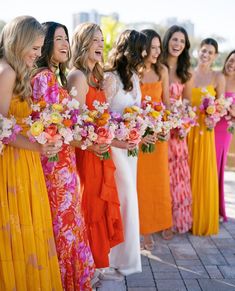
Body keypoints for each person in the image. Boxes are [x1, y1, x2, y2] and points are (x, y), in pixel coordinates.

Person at [0, 16, 62, 290]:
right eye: (34, 48)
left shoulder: (15, 70)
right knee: (18, 230)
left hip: (26, 161)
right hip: (13, 164)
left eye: (40, 49)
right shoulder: (7, 72)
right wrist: (37, 146)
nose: (38, 55)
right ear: (20, 41)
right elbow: (1, 127)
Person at [31, 21, 95, 290]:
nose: (65, 44)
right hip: (52, 161)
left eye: (66, 39)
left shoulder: (53, 77)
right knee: (62, 222)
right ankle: (62, 281)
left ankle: (68, 279)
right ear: (45, 43)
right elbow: (40, 121)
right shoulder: (43, 77)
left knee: (67, 219)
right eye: (58, 39)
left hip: (63, 159)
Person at [67, 22, 124, 272]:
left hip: (101, 150)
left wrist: (119, 137)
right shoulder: (77, 76)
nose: (100, 44)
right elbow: (75, 124)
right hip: (85, 152)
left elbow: (104, 118)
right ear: (82, 43)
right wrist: (93, 143)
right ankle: (86, 267)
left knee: (99, 206)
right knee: (88, 206)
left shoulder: (99, 78)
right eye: (94, 40)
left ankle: (96, 264)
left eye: (102, 40)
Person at [103, 29, 147, 276]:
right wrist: (119, 137)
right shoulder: (110, 79)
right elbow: (101, 117)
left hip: (131, 149)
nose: (144, 53)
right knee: (123, 198)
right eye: (141, 48)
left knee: (130, 199)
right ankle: (113, 256)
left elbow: (137, 111)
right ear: (129, 49)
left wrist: (141, 126)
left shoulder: (134, 77)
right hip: (114, 149)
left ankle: (127, 258)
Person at [137, 29, 172, 250]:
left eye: (160, 47)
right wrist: (140, 129)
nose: (158, 52)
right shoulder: (134, 72)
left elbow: (166, 103)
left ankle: (162, 221)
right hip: (140, 135)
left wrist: (165, 126)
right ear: (143, 48)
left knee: (159, 180)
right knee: (142, 183)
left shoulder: (162, 71)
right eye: (154, 47)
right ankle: (145, 229)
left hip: (158, 136)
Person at [187, 38, 225, 235]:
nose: (206, 55)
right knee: (189, 172)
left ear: (215, 56)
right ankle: (187, 217)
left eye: (210, 52)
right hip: (190, 130)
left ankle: (204, 218)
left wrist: (214, 117)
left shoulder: (218, 77)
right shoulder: (188, 74)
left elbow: (220, 107)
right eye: (203, 51)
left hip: (207, 130)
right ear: (197, 52)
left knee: (205, 172)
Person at [162, 25, 193, 235]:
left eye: (182, 41)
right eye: (174, 39)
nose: (178, 45)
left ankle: (176, 220)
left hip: (178, 131)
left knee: (178, 175)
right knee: (162, 174)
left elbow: (188, 101)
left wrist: (184, 121)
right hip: (160, 127)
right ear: (167, 41)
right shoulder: (158, 67)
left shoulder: (186, 72)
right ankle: (162, 220)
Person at [215, 50, 235, 222]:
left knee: (218, 166)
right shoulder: (218, 76)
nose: (233, 64)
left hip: (225, 129)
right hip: (210, 126)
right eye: (231, 60)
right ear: (226, 59)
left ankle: (217, 208)